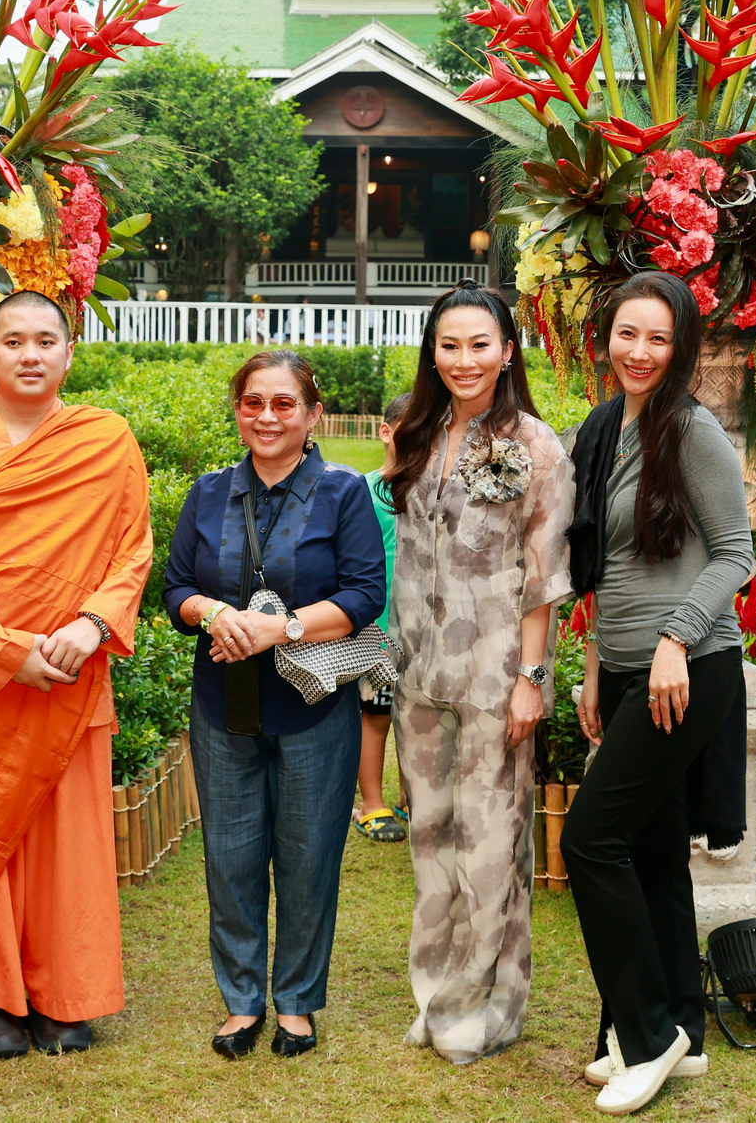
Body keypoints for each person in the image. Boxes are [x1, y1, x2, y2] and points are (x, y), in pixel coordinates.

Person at [0, 290, 152, 1061]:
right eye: (13, 340)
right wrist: (10, 653)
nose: (30, 353)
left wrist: (91, 625)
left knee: (67, 838)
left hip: (73, 668)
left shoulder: (106, 440)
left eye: (47, 340)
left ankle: (64, 995)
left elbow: (131, 549)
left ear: (69, 354)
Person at [559, 270, 756, 1115]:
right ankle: (683, 1025)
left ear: (680, 349)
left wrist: (676, 638)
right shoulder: (602, 430)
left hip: (691, 669)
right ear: (607, 338)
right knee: (648, 852)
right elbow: (602, 573)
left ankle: (645, 1038)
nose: (638, 352)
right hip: (630, 668)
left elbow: (737, 555)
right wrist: (597, 669)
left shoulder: (692, 430)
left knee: (588, 840)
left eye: (658, 338)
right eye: (626, 334)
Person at [163, 350, 385, 1060]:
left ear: (312, 414)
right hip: (222, 701)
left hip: (313, 703)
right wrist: (208, 613)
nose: (266, 416)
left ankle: (295, 1001)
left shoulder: (343, 491)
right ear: (237, 411)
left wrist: (279, 628)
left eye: (284, 403)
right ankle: (240, 1002)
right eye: (253, 402)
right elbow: (172, 589)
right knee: (229, 856)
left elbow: (363, 595)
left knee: (307, 856)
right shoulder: (207, 492)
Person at [384, 280, 573, 1065]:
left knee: (490, 845)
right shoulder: (420, 434)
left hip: (497, 677)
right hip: (419, 674)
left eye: (480, 344)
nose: (464, 359)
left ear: (506, 351)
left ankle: (484, 1007)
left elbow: (546, 574)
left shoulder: (535, 444)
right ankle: (435, 998)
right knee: (429, 840)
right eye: (449, 345)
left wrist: (532, 677)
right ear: (434, 351)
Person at [353, 392, 409, 843]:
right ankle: (372, 804)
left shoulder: (435, 490)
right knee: (377, 716)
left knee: (422, 719)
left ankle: (415, 798)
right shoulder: (363, 492)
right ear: (385, 431)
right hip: (376, 632)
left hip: (425, 632)